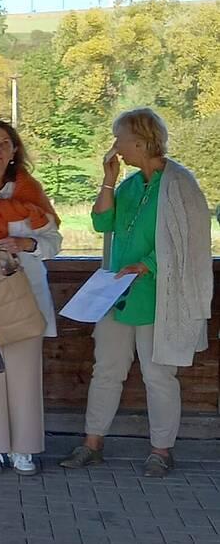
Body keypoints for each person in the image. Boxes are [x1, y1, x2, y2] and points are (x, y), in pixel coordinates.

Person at [59, 108, 212, 478]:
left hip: (160, 298)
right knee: (106, 371)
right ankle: (92, 444)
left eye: (120, 139)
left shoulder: (180, 183)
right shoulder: (128, 185)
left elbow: (191, 242)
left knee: (159, 376)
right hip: (117, 295)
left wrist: (148, 264)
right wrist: (108, 181)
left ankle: (161, 451)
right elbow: (102, 221)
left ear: (141, 141)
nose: (116, 147)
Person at [0, 118, 62, 476]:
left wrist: (29, 243)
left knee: (24, 372)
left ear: (13, 151)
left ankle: (25, 448)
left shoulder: (30, 190)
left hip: (25, 294)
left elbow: (54, 242)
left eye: (4, 143)